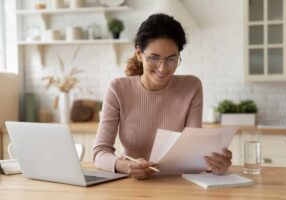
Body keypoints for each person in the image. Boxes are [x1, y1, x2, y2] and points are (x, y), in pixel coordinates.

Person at [93, 13, 232, 179]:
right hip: (133, 187)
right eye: (154, 58)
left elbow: (194, 155)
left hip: (179, 186)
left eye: (171, 59)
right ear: (139, 54)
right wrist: (126, 166)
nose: (163, 68)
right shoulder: (118, 89)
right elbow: (100, 153)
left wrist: (214, 165)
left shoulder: (191, 87)